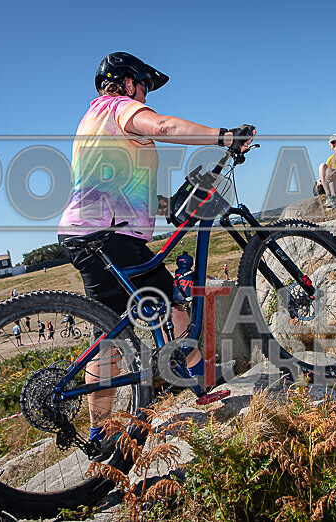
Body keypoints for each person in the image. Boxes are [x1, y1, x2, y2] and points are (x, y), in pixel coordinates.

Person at [56, 52, 253, 457]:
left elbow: (116, 186)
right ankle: (207, 388)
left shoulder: (90, 121)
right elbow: (163, 126)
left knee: (106, 334)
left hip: (84, 233)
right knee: (176, 302)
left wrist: (167, 205)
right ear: (128, 82)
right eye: (143, 84)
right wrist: (224, 137)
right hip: (111, 235)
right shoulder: (120, 108)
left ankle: (99, 438)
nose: (146, 94)